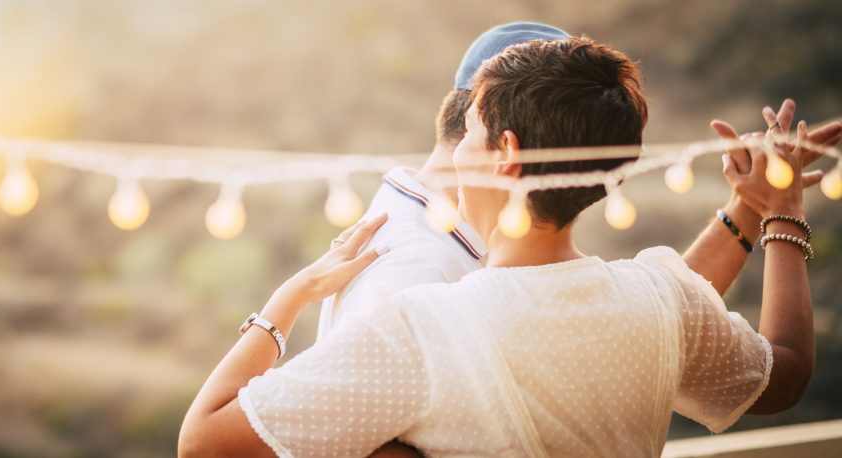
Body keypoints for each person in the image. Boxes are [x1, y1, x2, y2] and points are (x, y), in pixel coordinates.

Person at [179, 35, 840, 456]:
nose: (455, 150)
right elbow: (785, 376)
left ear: (505, 153)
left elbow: (206, 441)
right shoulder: (660, 296)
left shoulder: (426, 328)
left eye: (468, 131)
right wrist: (775, 212)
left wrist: (286, 301)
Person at [317, 22, 841, 346]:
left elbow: (655, 318)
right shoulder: (414, 267)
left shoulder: (490, 236)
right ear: (506, 141)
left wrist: (751, 207)